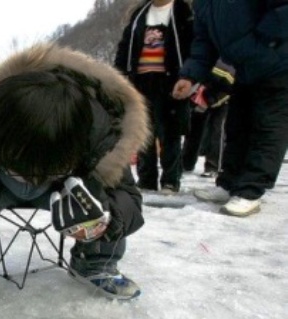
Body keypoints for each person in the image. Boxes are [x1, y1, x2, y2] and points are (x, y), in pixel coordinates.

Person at [0, 43, 149, 312]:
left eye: (45, 169)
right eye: (20, 167)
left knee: (101, 186)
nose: (31, 181)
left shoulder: (101, 131)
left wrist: (107, 222)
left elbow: (130, 198)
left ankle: (96, 262)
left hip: (63, 190)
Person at [172, 0, 288, 217]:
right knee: (237, 126)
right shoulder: (204, 4)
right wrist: (189, 76)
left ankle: (250, 190)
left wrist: (263, 39)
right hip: (246, 67)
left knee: (268, 127)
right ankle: (229, 183)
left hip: (279, 63)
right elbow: (204, 43)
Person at [113, 0, 193, 195]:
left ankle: (170, 180)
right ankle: (146, 179)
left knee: (170, 133)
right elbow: (125, 48)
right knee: (143, 133)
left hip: (171, 81)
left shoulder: (183, 12)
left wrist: (189, 76)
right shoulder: (140, 14)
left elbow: (192, 45)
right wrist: (119, 77)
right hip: (140, 82)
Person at [181, 60, 234, 177]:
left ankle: (213, 166)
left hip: (223, 94)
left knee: (217, 130)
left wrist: (210, 101)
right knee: (194, 128)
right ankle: (186, 162)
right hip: (202, 91)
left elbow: (228, 85)